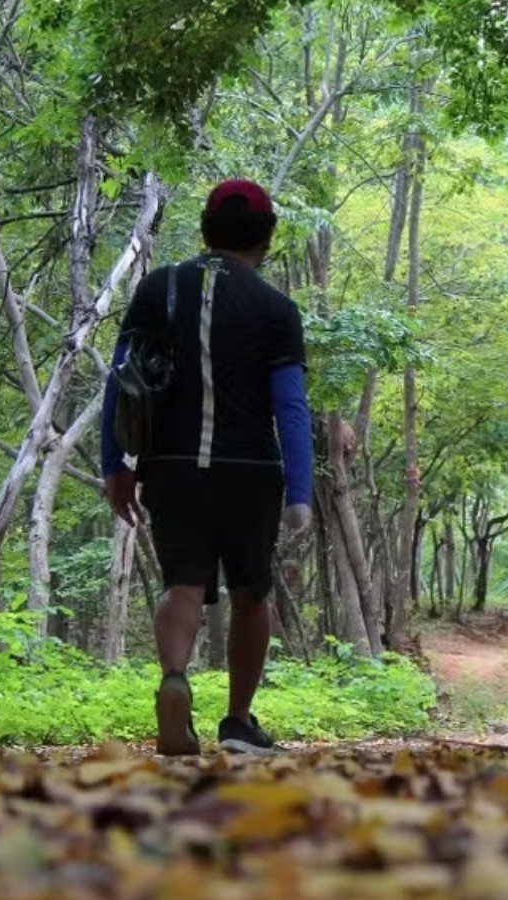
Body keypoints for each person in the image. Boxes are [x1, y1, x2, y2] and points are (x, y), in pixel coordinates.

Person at [101, 179, 313, 756]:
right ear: (267, 236)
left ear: (204, 229)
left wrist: (113, 464)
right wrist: (300, 490)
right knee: (251, 593)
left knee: (184, 584)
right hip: (250, 469)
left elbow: (121, 379)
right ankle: (239, 722)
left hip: (170, 465)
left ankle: (174, 679)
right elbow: (290, 405)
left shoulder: (157, 288)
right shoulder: (276, 310)